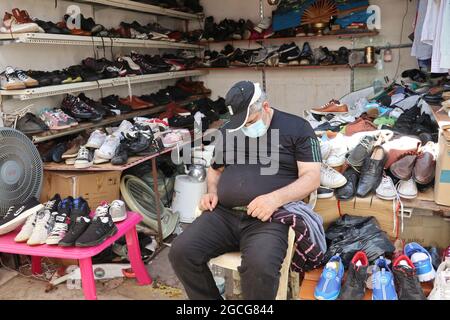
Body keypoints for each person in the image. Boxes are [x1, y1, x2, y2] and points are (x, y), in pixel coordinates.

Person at [169, 81, 322, 299]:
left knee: (260, 266)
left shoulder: (298, 128)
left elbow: (312, 178)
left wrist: (274, 199)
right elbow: (215, 170)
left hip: (268, 218)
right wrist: (212, 191)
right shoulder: (230, 130)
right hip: (224, 214)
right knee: (181, 252)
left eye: (250, 122)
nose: (245, 129)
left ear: (266, 107)